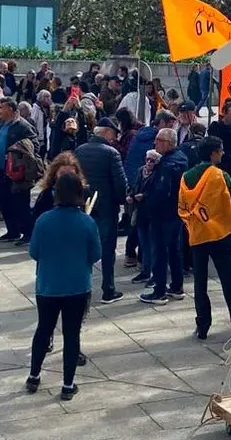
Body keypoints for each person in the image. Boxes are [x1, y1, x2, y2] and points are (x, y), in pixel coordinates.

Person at [25, 171, 100, 401]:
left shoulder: (44, 220)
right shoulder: (86, 221)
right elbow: (96, 254)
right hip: (77, 286)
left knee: (43, 330)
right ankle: (68, 384)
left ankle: (34, 376)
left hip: (48, 285)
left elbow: (33, 252)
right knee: (71, 334)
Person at [179, 136, 231, 340]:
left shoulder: (186, 177)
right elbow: (229, 204)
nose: (223, 153)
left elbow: (182, 205)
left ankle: (202, 324)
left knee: (200, 281)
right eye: (220, 150)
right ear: (213, 152)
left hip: (197, 234)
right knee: (228, 281)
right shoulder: (221, 176)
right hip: (220, 234)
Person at [74, 118, 127, 304]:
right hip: (106, 208)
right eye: (113, 133)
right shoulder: (111, 153)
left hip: (84, 206)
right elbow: (120, 183)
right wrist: (122, 201)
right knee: (107, 250)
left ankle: (81, 288)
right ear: (106, 132)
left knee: (84, 249)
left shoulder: (79, 150)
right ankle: (108, 290)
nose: (114, 137)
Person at [138, 128, 188, 305]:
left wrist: (147, 203)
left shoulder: (166, 165)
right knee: (175, 250)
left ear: (170, 143)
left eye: (160, 140)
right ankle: (176, 286)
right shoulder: (181, 158)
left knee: (160, 252)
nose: (156, 143)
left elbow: (161, 191)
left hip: (163, 214)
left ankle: (159, 291)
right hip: (176, 212)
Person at [0, 98, 38, 245]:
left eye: (1, 108)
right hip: (0, 170)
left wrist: (17, 153)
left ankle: (28, 233)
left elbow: (34, 145)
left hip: (16, 172)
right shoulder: (1, 124)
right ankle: (12, 231)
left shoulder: (22, 126)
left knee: (20, 204)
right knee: (4, 203)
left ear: (11, 109)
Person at [126, 150, 160, 286]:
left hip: (152, 212)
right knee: (144, 242)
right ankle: (145, 271)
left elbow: (157, 191)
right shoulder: (141, 171)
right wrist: (131, 195)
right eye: (147, 159)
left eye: (152, 160)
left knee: (152, 244)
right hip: (140, 212)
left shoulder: (158, 173)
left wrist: (144, 196)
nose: (149, 163)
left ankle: (152, 272)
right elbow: (134, 186)